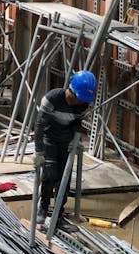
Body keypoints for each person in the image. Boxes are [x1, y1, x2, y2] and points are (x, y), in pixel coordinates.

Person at [34, 69, 96, 231]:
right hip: (50, 140)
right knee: (49, 175)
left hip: (65, 141)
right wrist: (39, 152)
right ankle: (43, 208)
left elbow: (77, 123)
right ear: (71, 90)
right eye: (78, 98)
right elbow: (39, 126)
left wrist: (76, 139)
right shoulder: (52, 98)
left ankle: (58, 216)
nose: (80, 102)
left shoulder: (82, 103)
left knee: (64, 180)